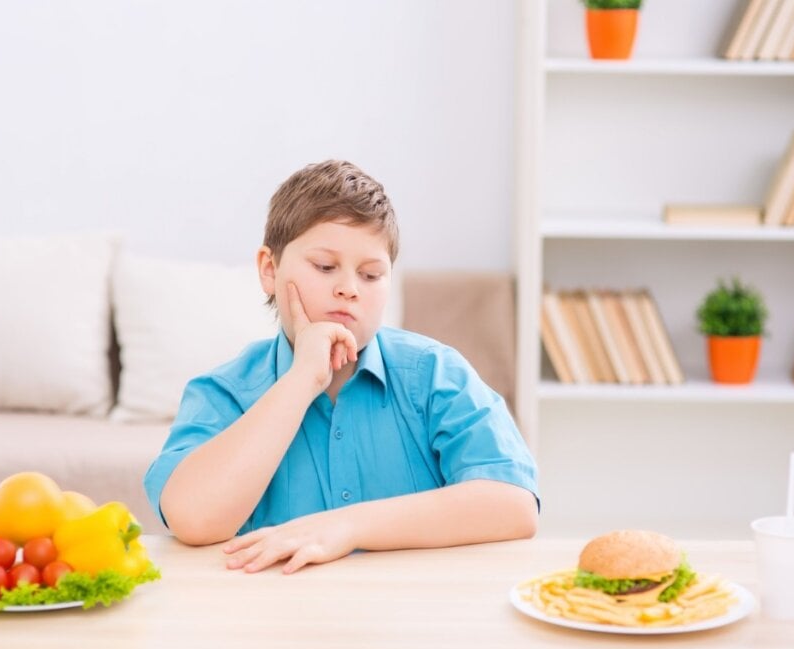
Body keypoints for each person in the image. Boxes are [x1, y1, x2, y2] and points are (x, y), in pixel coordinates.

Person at [144, 160, 538, 574]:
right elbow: (192, 516)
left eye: (370, 274)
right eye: (325, 267)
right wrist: (301, 379)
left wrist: (346, 526)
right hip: (275, 621)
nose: (349, 288)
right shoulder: (224, 392)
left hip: (411, 619)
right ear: (269, 269)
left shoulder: (436, 373)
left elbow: (514, 504)